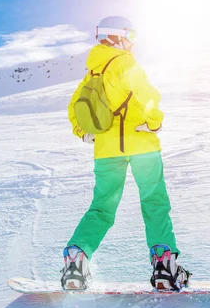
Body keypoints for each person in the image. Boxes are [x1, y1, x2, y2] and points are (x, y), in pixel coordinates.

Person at [61, 16, 190, 291]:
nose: (132, 42)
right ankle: (164, 267)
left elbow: (74, 107)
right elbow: (147, 94)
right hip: (142, 145)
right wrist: (154, 121)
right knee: (154, 203)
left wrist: (83, 132)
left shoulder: (92, 72)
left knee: (101, 207)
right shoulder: (125, 63)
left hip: (106, 151)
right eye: (129, 35)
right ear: (117, 36)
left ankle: (76, 261)